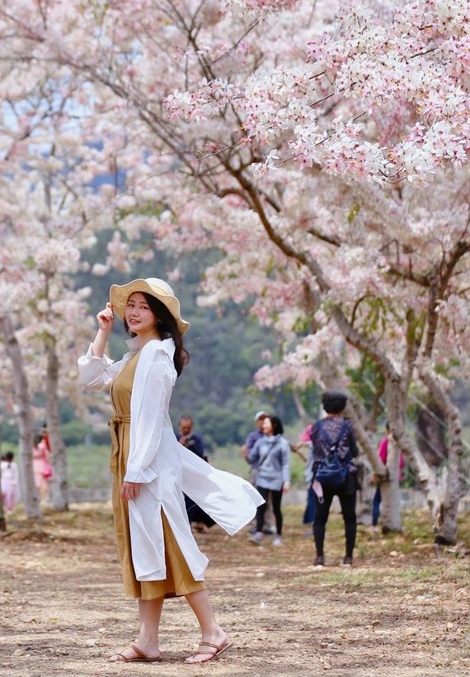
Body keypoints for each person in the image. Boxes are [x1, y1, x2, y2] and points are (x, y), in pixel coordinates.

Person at [78, 277, 262, 664]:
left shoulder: (159, 356)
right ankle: (148, 640)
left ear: (158, 315)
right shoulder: (135, 355)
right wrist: (102, 331)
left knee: (172, 541)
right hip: (129, 456)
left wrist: (137, 471)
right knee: (143, 546)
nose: (133, 311)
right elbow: (93, 378)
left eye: (143, 306)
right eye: (131, 305)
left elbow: (149, 420)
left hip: (147, 463)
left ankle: (213, 631)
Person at [310, 391, 361, 567]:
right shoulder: (347, 426)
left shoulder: (316, 426)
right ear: (343, 407)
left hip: (322, 478)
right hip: (345, 476)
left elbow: (315, 449)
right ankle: (348, 557)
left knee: (319, 518)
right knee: (350, 518)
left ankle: (319, 557)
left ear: (325, 406)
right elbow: (354, 451)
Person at [247, 415, 291, 546]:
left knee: (276, 508)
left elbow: (285, 464)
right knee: (261, 506)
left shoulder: (283, 443)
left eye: (266, 423)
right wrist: (246, 453)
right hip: (262, 478)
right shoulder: (260, 442)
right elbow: (252, 458)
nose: (263, 426)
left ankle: (278, 535)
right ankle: (259, 533)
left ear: (274, 426)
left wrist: (286, 481)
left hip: (277, 480)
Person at [177, 415, 214, 531]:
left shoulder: (196, 439)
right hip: (179, 473)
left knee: (193, 499)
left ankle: (191, 523)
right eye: (184, 428)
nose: (186, 430)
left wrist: (191, 445)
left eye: (188, 428)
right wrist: (180, 445)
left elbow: (200, 455)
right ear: (180, 427)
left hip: (193, 475)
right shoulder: (174, 438)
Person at [371, 425, 404, 531]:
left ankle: (375, 525)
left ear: (387, 430)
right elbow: (402, 463)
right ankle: (393, 523)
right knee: (393, 502)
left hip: (384, 477)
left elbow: (379, 459)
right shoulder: (398, 444)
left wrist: (375, 474)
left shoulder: (385, 442)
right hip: (395, 477)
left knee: (377, 501)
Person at [32, 426, 52, 501]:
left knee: (36, 484)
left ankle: (38, 498)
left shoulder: (31, 448)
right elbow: (47, 455)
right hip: (42, 466)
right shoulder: (43, 446)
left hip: (33, 466)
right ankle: (44, 498)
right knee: (43, 484)